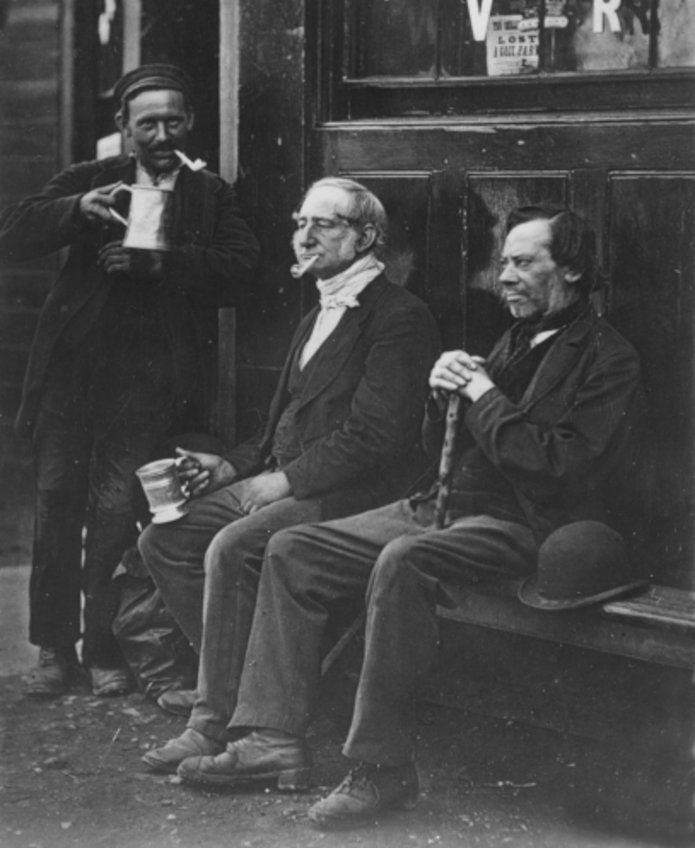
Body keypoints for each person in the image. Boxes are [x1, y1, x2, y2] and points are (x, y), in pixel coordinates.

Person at [149, 204, 648, 830]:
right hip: (442, 505)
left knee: (404, 559)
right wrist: (441, 399)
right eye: (503, 263)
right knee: (293, 548)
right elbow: (443, 446)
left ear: (571, 271)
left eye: (524, 263)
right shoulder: (517, 338)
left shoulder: (608, 358)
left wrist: (481, 395)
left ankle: (382, 768)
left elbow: (557, 466)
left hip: (525, 524)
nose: (504, 277)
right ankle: (273, 740)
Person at [139, 176, 440, 770]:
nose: (304, 237)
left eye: (322, 225)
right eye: (300, 224)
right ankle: (240, 695)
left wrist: (284, 481)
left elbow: (377, 437)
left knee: (233, 546)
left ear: (365, 237)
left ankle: (221, 721)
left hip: (355, 495)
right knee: (167, 539)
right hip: (290, 480)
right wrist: (232, 465)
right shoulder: (315, 314)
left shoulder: (400, 317)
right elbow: (283, 419)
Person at [0, 63, 260, 698]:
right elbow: (12, 231)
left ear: (190, 121)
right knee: (57, 505)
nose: (162, 135)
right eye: (148, 124)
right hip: (71, 375)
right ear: (124, 126)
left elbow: (242, 270)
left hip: (147, 385)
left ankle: (103, 648)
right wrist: (74, 210)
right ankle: (54, 649)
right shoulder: (93, 179)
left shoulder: (209, 195)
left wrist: (164, 265)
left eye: (173, 121)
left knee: (117, 513)